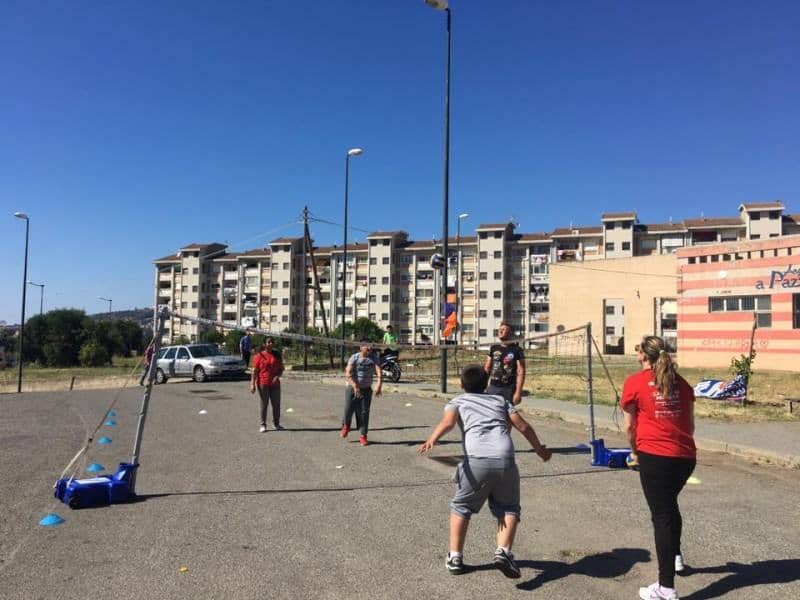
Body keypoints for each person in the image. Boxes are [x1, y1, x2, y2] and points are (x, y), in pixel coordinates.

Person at [419, 364, 552, 578]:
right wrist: (540, 451)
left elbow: (448, 422)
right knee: (508, 507)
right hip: (505, 459)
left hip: (477, 459)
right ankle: (504, 552)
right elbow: (524, 427)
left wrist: (432, 439)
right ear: (487, 383)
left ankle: (455, 557)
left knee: (461, 506)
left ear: (461, 384)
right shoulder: (500, 401)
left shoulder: (458, 401)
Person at [621, 336, 696, 600]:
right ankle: (674, 556)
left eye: (638, 349)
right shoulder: (682, 383)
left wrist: (634, 451)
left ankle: (666, 587)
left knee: (661, 516)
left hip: (656, 456)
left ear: (643, 355)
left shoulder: (636, 383)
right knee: (669, 505)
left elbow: (629, 426)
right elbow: (690, 423)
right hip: (684, 457)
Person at [341, 339, 382, 446]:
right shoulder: (354, 357)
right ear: (361, 347)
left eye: (370, 346)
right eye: (366, 346)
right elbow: (348, 373)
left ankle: (363, 435)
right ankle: (346, 425)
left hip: (366, 389)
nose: (369, 348)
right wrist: (355, 386)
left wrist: (379, 385)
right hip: (352, 387)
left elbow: (378, 371)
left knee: (364, 413)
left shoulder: (373, 358)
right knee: (348, 410)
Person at [484, 322, 525, 405]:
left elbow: (521, 371)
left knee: (507, 413)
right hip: (493, 387)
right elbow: (487, 368)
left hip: (508, 388)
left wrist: (518, 392)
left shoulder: (517, 350)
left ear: (510, 333)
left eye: (503, 329)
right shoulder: (493, 348)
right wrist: (483, 387)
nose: (500, 331)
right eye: (500, 329)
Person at [250, 337, 284, 433]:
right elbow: (255, 371)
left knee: (276, 405)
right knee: (264, 405)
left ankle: (276, 424)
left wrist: (277, 376)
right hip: (263, 383)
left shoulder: (277, 354)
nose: (270, 344)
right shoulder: (259, 356)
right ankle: (263, 424)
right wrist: (252, 384)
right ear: (264, 344)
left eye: (272, 342)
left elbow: (281, 369)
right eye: (268, 342)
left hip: (275, 384)